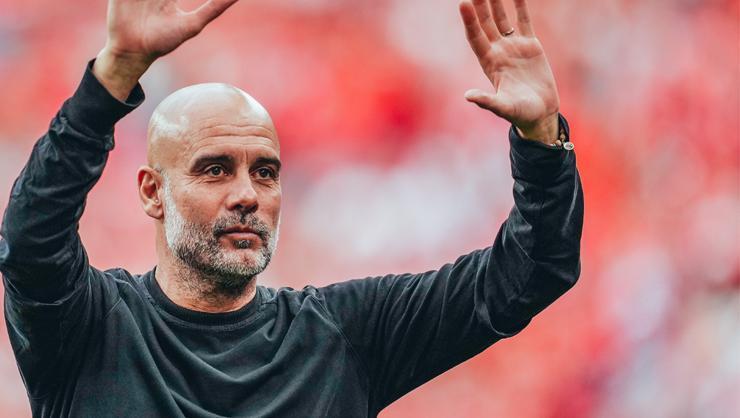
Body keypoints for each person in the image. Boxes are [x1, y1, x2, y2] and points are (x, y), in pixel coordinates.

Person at [0, 0, 583, 416]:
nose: (247, 194)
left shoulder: (343, 334)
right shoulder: (90, 328)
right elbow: (28, 242)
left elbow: (531, 272)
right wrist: (113, 77)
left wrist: (541, 139)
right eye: (214, 169)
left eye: (265, 172)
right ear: (153, 192)